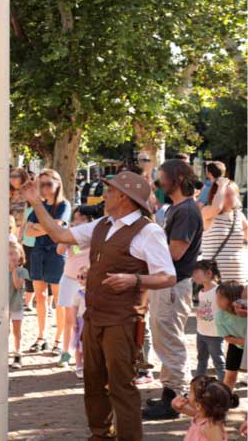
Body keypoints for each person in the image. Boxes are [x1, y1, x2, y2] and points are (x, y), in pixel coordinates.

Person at [22, 170, 177, 440]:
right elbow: (59, 234)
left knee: (122, 387)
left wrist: (135, 279)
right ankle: (100, 435)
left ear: (125, 198)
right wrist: (36, 203)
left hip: (123, 320)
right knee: (93, 383)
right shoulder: (102, 224)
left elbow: (168, 276)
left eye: (112, 191)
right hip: (94, 316)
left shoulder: (149, 232)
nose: (106, 194)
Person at [143, 159, 204, 420]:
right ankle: (171, 395)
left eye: (161, 178)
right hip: (167, 284)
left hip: (173, 285)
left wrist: (147, 254)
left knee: (170, 342)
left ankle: (177, 400)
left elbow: (175, 252)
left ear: (177, 179)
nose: (159, 184)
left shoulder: (187, 211)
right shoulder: (176, 208)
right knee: (164, 341)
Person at [24, 169, 71, 354]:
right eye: (40, 184)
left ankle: (58, 340)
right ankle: (41, 337)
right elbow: (28, 230)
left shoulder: (64, 205)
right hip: (38, 252)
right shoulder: (38, 205)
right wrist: (49, 227)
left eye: (48, 184)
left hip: (56, 254)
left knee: (59, 299)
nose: (44, 188)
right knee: (40, 297)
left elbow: (59, 227)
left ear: (58, 183)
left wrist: (41, 227)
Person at [55, 208, 93, 367]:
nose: (78, 222)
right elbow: (59, 251)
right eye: (76, 218)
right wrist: (67, 234)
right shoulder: (71, 235)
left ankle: (85, 353)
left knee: (85, 319)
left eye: (82, 218)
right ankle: (66, 351)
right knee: (69, 319)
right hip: (70, 279)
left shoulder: (93, 235)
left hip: (86, 282)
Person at [201, 177, 248, 283]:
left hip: (239, 277)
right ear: (216, 196)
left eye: (234, 194)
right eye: (227, 195)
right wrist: (221, 185)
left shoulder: (239, 215)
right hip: (215, 279)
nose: (232, 198)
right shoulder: (207, 212)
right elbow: (217, 208)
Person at [171, 375, 235, 441]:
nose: (187, 395)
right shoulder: (201, 414)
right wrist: (175, 404)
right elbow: (181, 408)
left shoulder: (211, 426)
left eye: (190, 393)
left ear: (198, 406)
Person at [193, 260, 225, 380]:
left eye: (196, 272)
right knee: (201, 360)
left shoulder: (219, 291)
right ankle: (197, 387)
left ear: (208, 273)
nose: (194, 275)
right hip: (201, 333)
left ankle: (225, 389)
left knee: (219, 363)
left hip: (215, 335)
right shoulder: (201, 292)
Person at [215, 281, 245, 389]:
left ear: (233, 299)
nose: (217, 301)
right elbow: (227, 338)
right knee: (230, 377)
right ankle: (225, 399)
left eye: (220, 298)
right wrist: (243, 342)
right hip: (236, 346)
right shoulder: (220, 316)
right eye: (216, 297)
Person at [8, 240, 29, 369]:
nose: (13, 257)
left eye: (15, 254)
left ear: (21, 256)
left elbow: (17, 285)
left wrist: (14, 270)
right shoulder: (0, 271)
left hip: (16, 305)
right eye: (9, 254)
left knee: (17, 330)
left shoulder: (22, 271)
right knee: (4, 331)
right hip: (3, 306)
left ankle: (17, 352)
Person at [8, 167, 29, 239]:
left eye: (15, 176)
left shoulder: (28, 193)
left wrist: (21, 235)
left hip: (23, 231)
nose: (12, 179)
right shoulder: (8, 193)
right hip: (9, 231)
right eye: (10, 176)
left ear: (22, 178)